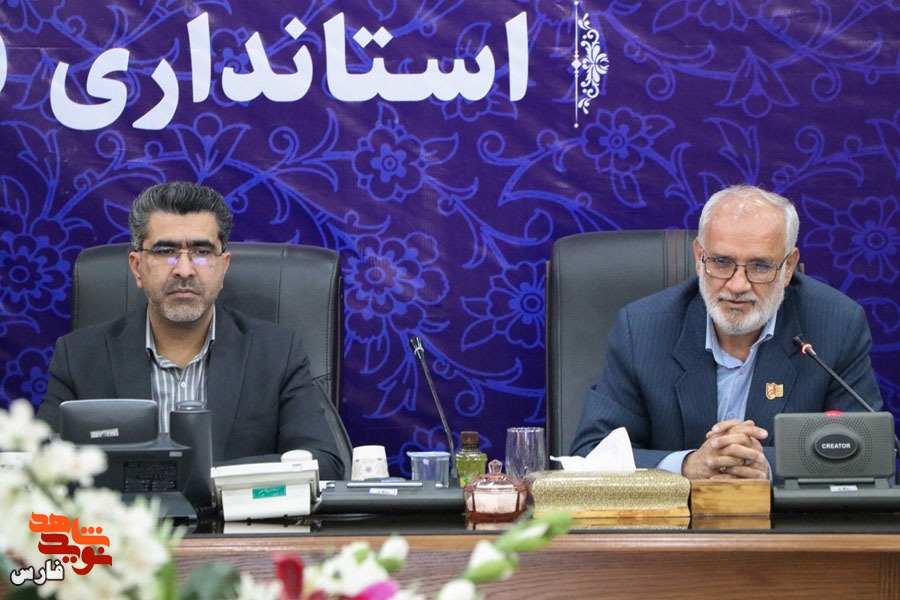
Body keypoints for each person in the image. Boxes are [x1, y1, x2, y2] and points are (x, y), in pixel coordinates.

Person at [570, 184, 883, 480]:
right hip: (677, 518)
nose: (737, 285)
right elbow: (591, 453)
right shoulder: (641, 329)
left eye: (759, 266)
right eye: (721, 262)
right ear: (699, 257)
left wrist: (766, 466)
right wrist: (686, 465)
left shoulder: (837, 325)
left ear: (788, 267)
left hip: (784, 517)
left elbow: (868, 454)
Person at [38, 182, 346, 479]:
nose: (184, 270)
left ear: (223, 267)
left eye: (201, 252)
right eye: (165, 251)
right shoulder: (78, 358)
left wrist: (210, 481)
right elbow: (38, 467)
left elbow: (323, 462)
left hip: (234, 516)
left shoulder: (278, 353)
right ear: (137, 267)